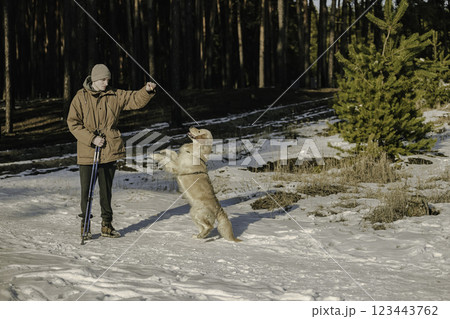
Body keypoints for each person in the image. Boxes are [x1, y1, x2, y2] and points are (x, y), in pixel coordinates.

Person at [67, 64, 156, 239]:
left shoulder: (115, 94)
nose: (106, 83)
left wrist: (146, 90)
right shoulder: (80, 97)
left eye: (108, 79)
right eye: (103, 80)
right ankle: (85, 225)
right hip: (87, 151)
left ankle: (106, 225)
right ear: (94, 79)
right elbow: (73, 123)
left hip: (108, 150)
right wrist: (91, 138)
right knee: (87, 191)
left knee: (106, 191)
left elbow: (134, 99)